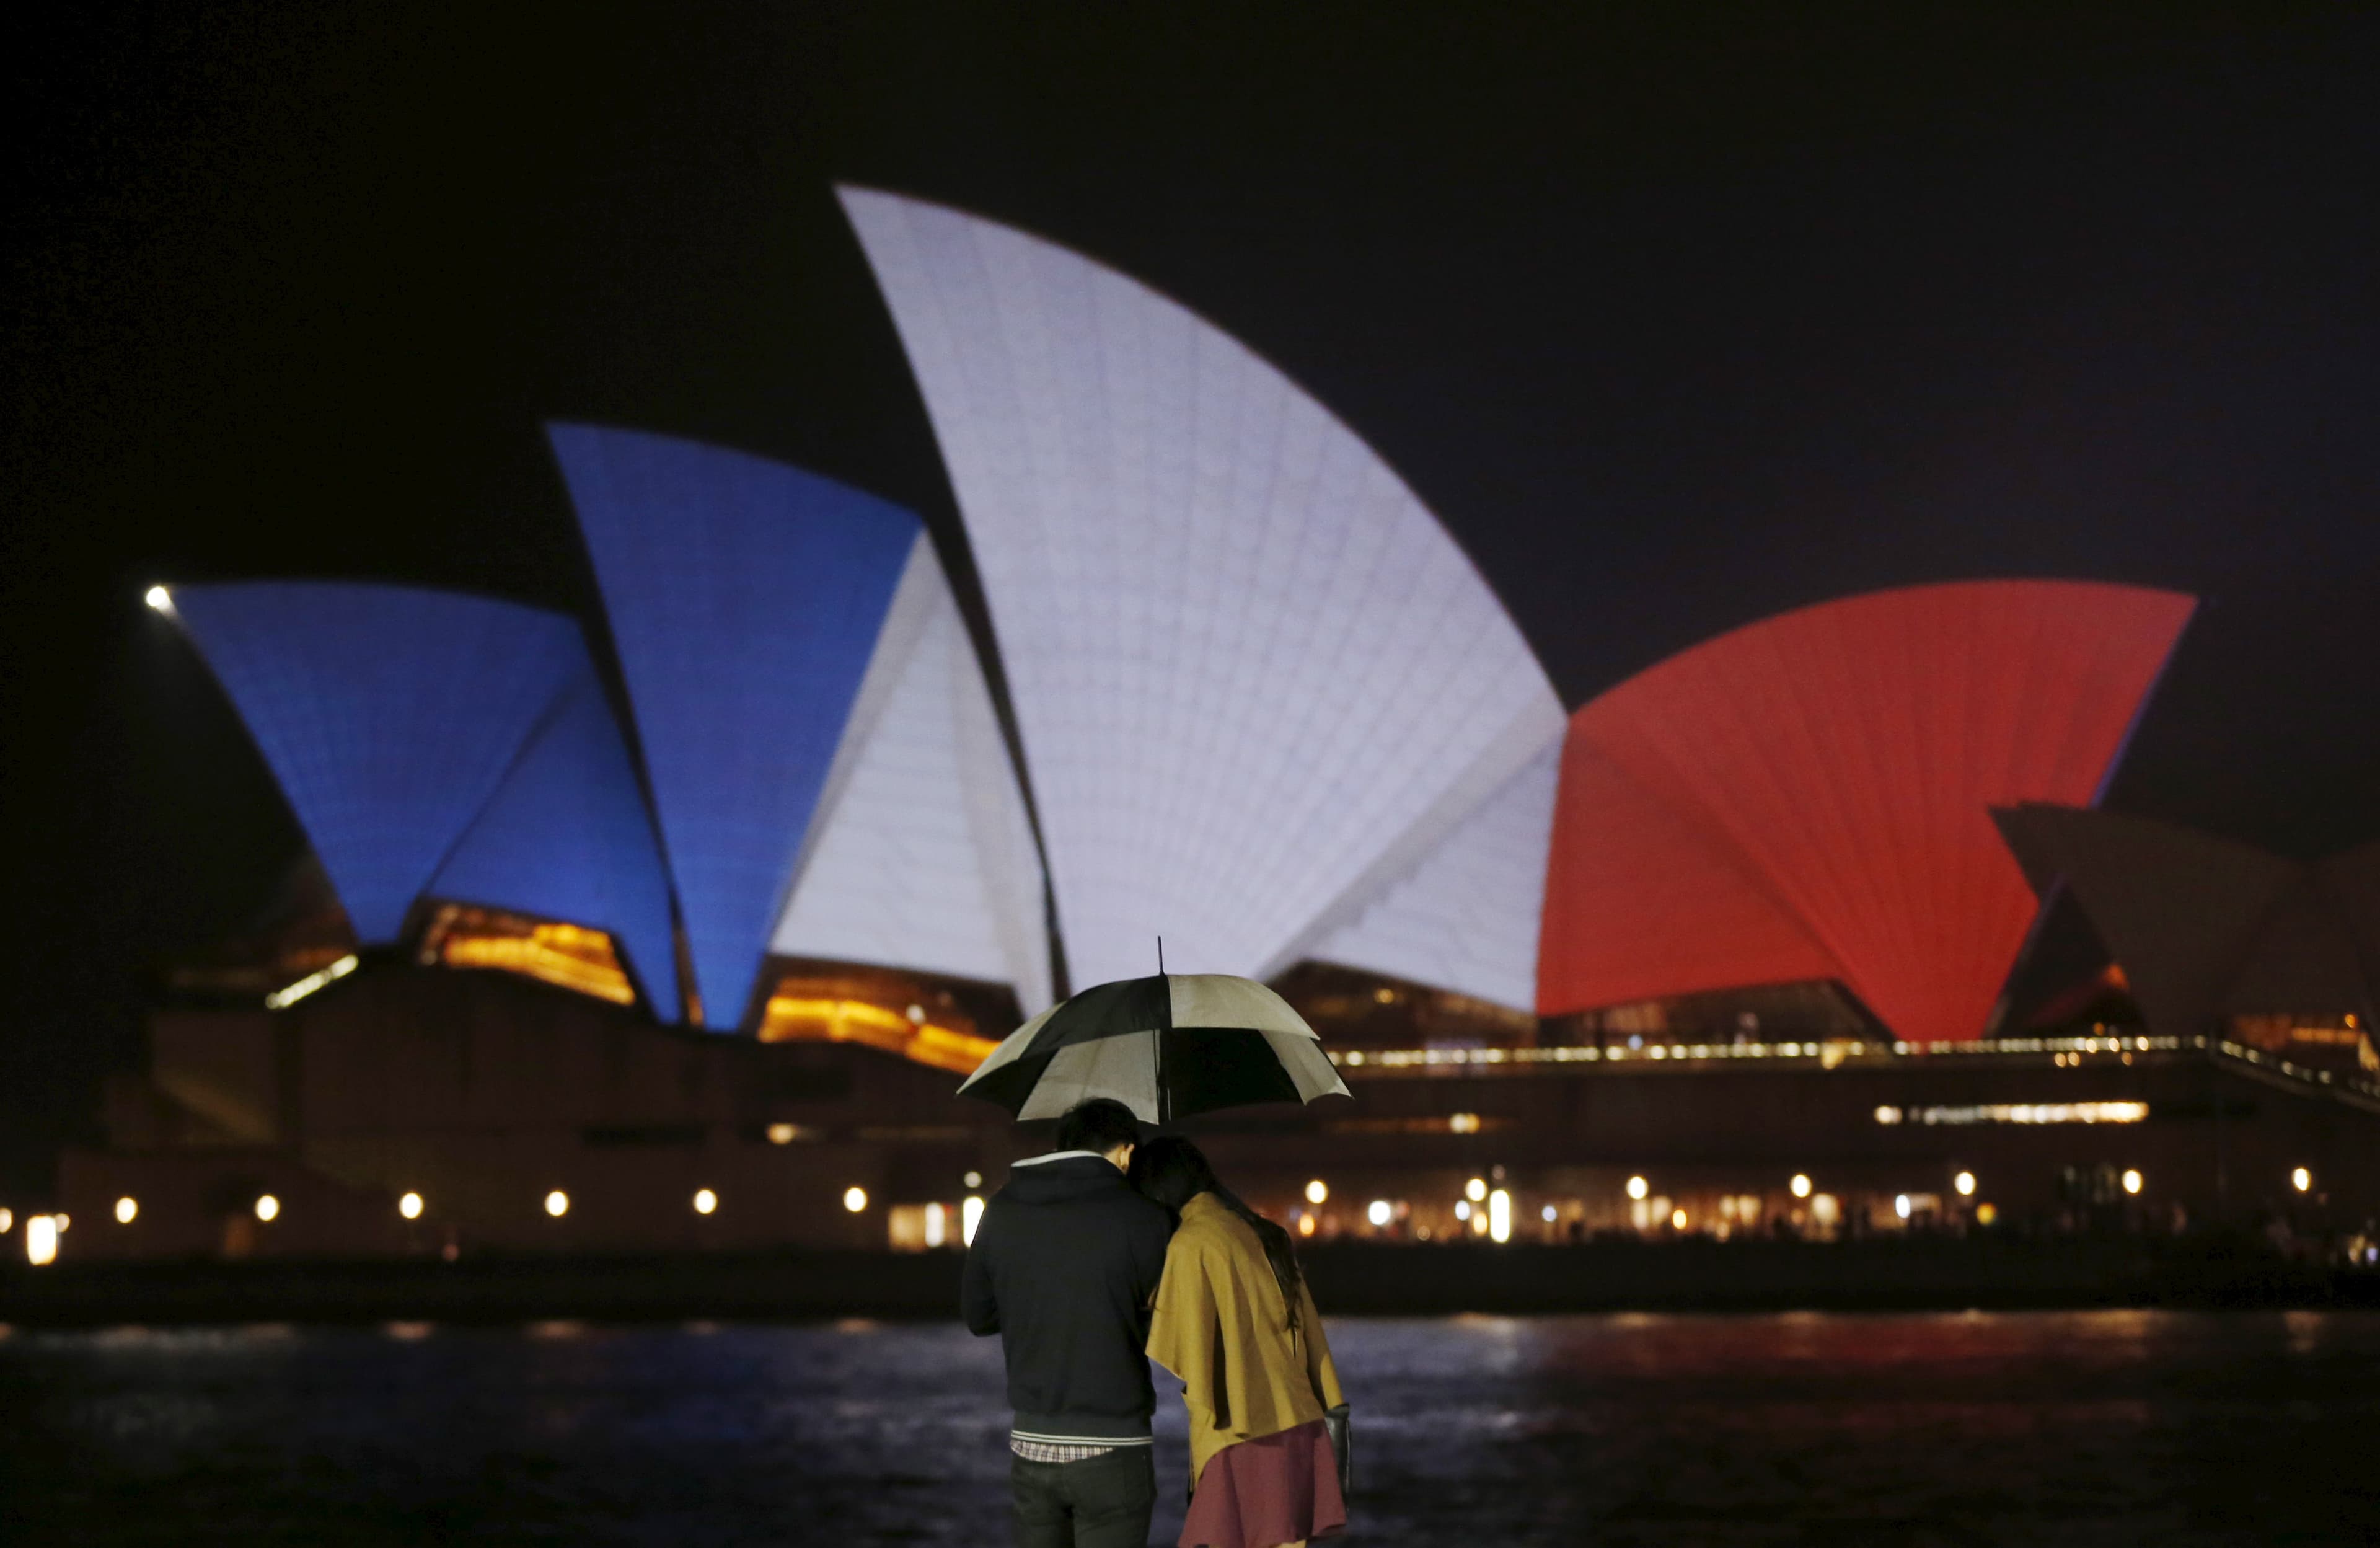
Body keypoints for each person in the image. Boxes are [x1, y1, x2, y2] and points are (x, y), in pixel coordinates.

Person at [963, 1097, 1175, 1548]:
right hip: (1114, 1445)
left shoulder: (1001, 1209)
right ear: (1126, 1152)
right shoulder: (1145, 1218)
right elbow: (1173, 1321)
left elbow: (979, 1317)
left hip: (1031, 1443)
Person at [1132, 1136, 1347, 1548]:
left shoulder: (1192, 1241)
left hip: (1241, 1433)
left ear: (1157, 1191)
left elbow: (1181, 1347)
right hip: (1300, 1427)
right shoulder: (1263, 1230)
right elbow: (1312, 1339)